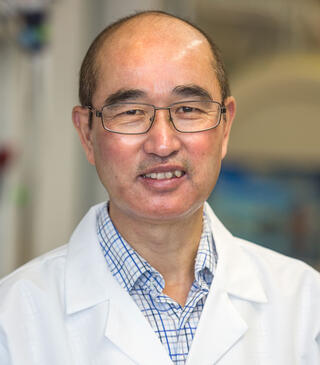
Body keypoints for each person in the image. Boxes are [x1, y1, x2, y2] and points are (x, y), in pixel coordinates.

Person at [0, 10, 319, 365]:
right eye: (132, 112)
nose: (163, 143)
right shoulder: (13, 322)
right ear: (86, 133)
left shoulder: (306, 308)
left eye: (187, 108)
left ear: (225, 127)